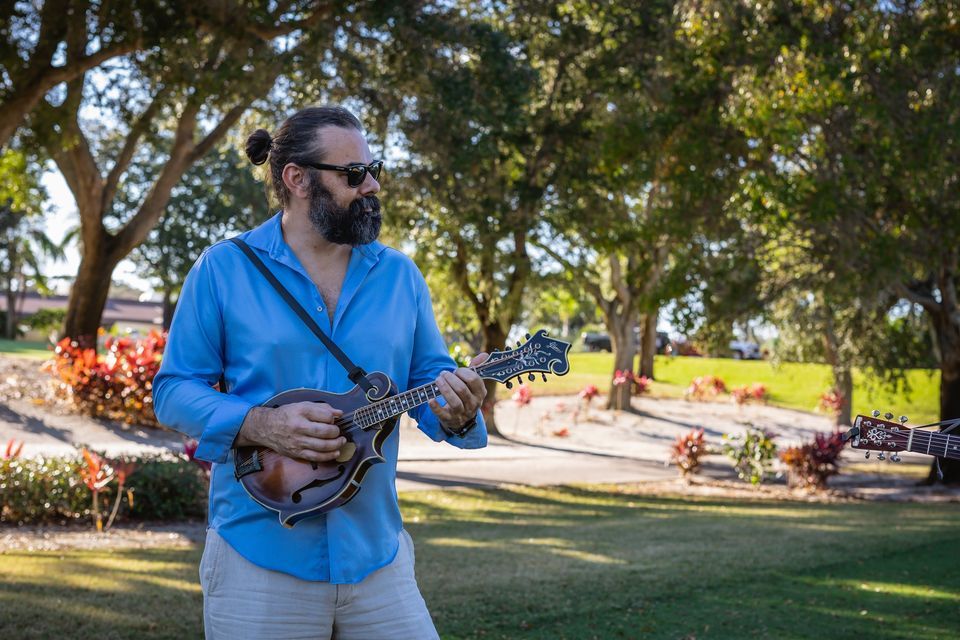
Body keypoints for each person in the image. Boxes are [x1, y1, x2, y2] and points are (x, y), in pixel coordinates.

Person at [153, 105, 488, 639]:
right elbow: (173, 392)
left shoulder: (401, 276)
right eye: (354, 174)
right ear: (297, 179)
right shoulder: (222, 268)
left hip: (377, 556)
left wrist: (458, 408)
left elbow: (432, 382)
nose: (372, 184)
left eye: (373, 169)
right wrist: (262, 425)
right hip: (258, 558)